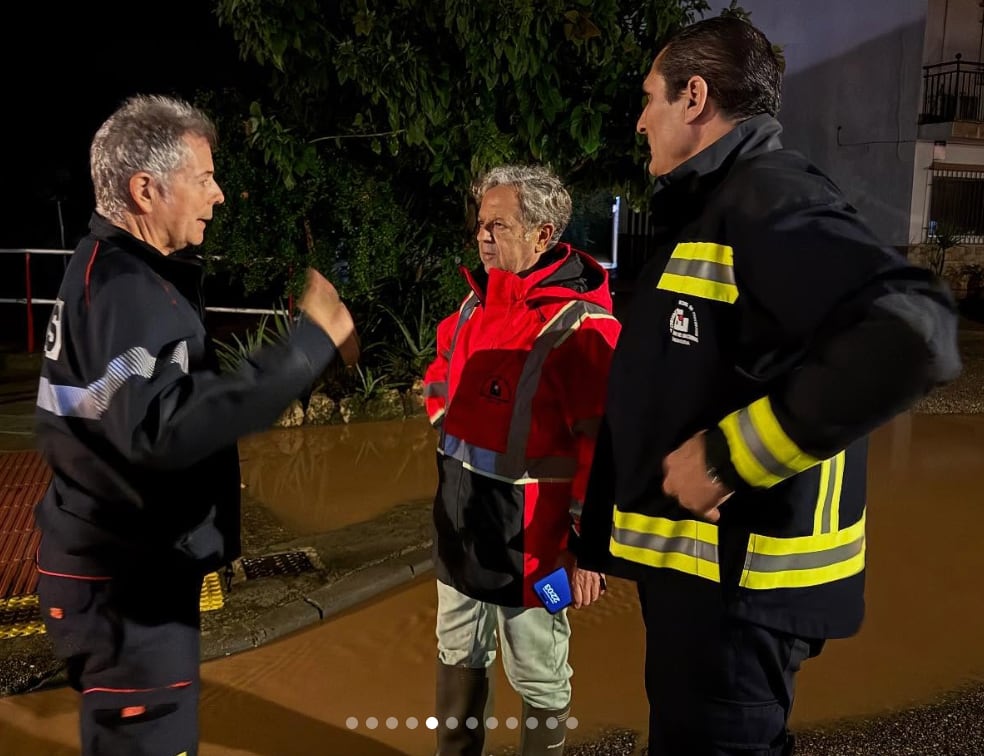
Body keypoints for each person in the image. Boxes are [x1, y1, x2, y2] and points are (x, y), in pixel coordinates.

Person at [571, 16, 962, 756]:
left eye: (649, 97)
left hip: (738, 600)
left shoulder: (766, 196)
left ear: (694, 97)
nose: (638, 118)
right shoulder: (708, 209)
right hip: (705, 591)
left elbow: (914, 331)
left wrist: (731, 457)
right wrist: (597, 538)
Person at [33, 94, 359, 756]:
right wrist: (304, 350)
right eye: (204, 178)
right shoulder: (128, 290)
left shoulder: (115, 274)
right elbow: (161, 428)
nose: (219, 195)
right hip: (127, 589)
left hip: (113, 575)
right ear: (145, 189)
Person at [423, 164, 621, 755]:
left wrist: (588, 553)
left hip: (539, 552)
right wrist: (443, 412)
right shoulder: (469, 309)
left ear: (542, 235)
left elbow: (603, 448)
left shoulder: (582, 325)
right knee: (456, 654)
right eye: (481, 225)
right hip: (458, 534)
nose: (482, 236)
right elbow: (438, 382)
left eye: (498, 225)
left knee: (541, 673)